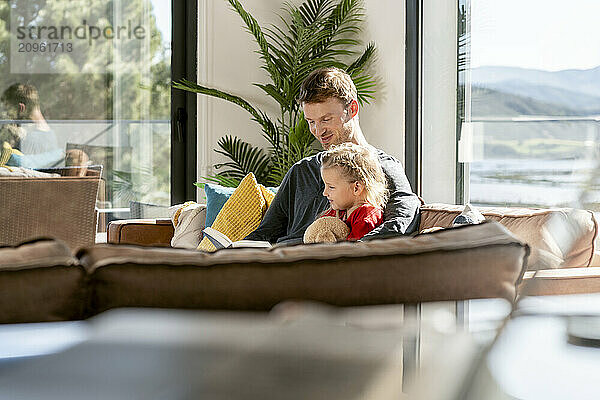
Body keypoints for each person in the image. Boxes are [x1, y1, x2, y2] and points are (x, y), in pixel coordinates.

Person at [245, 67, 421, 244]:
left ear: (352, 109)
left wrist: (351, 252)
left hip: (328, 263)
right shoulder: (301, 171)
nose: (318, 131)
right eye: (311, 122)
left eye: (326, 119)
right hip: (279, 261)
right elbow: (265, 233)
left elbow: (402, 218)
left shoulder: (382, 167)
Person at [316, 143, 388, 240]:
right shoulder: (336, 212)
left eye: (331, 187)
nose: (325, 193)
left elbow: (351, 251)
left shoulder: (366, 216)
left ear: (356, 188)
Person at [0, 83, 63, 169]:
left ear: (21, 108)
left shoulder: (30, 139)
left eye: (9, 111)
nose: (9, 116)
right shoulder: (51, 134)